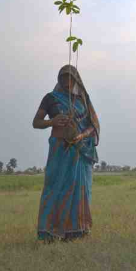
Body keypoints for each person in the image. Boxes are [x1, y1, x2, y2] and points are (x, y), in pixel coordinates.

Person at [32, 64, 100, 242]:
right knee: (55, 187)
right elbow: (36, 122)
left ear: (77, 79)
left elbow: (93, 126)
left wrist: (81, 136)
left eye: (70, 78)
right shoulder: (51, 99)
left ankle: (76, 231)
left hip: (79, 150)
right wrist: (52, 121)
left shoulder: (83, 99)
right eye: (63, 78)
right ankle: (49, 232)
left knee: (79, 189)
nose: (67, 82)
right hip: (59, 150)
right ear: (59, 80)